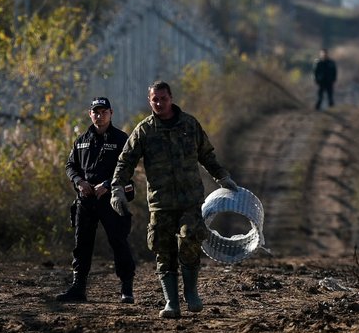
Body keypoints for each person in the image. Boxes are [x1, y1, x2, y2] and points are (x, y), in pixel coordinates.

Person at [110, 81, 237, 319]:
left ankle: (191, 293)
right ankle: (171, 302)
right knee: (163, 250)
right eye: (154, 99)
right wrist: (117, 188)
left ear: (171, 98)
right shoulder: (144, 131)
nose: (159, 103)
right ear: (150, 101)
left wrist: (222, 177)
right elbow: (125, 161)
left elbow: (206, 154)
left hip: (190, 199)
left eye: (163, 98)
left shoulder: (189, 124)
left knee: (190, 239)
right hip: (161, 202)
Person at [57, 97, 136, 303]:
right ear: (90, 114)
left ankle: (127, 289)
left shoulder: (120, 139)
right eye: (95, 112)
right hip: (86, 200)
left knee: (118, 242)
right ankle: (78, 288)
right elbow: (70, 166)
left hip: (111, 200)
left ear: (111, 113)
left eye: (103, 112)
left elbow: (128, 167)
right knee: (81, 245)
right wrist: (79, 182)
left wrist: (108, 184)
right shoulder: (81, 140)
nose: (99, 116)